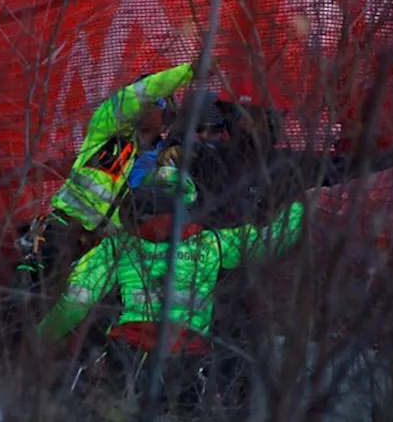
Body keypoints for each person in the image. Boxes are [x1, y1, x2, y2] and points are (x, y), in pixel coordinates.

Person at [35, 156, 305, 414]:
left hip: (127, 358)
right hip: (187, 362)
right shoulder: (211, 243)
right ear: (188, 205)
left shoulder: (118, 247)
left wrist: (38, 340)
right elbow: (271, 243)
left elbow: (74, 303)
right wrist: (302, 206)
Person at [17, 62, 200, 284]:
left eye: (154, 103)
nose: (143, 107)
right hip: (63, 229)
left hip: (102, 251)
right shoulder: (105, 128)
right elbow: (135, 96)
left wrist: (175, 155)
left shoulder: (162, 158)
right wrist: (189, 72)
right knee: (29, 294)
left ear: (167, 116)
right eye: (142, 99)